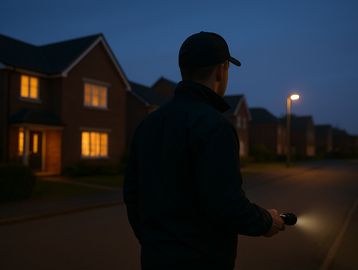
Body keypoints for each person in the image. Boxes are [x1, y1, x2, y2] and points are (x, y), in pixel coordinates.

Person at [124, 31, 285, 270]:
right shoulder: (214, 126)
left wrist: (153, 243)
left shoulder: (148, 125)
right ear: (221, 70)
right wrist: (267, 221)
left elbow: (132, 196)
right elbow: (226, 204)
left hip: (155, 259)